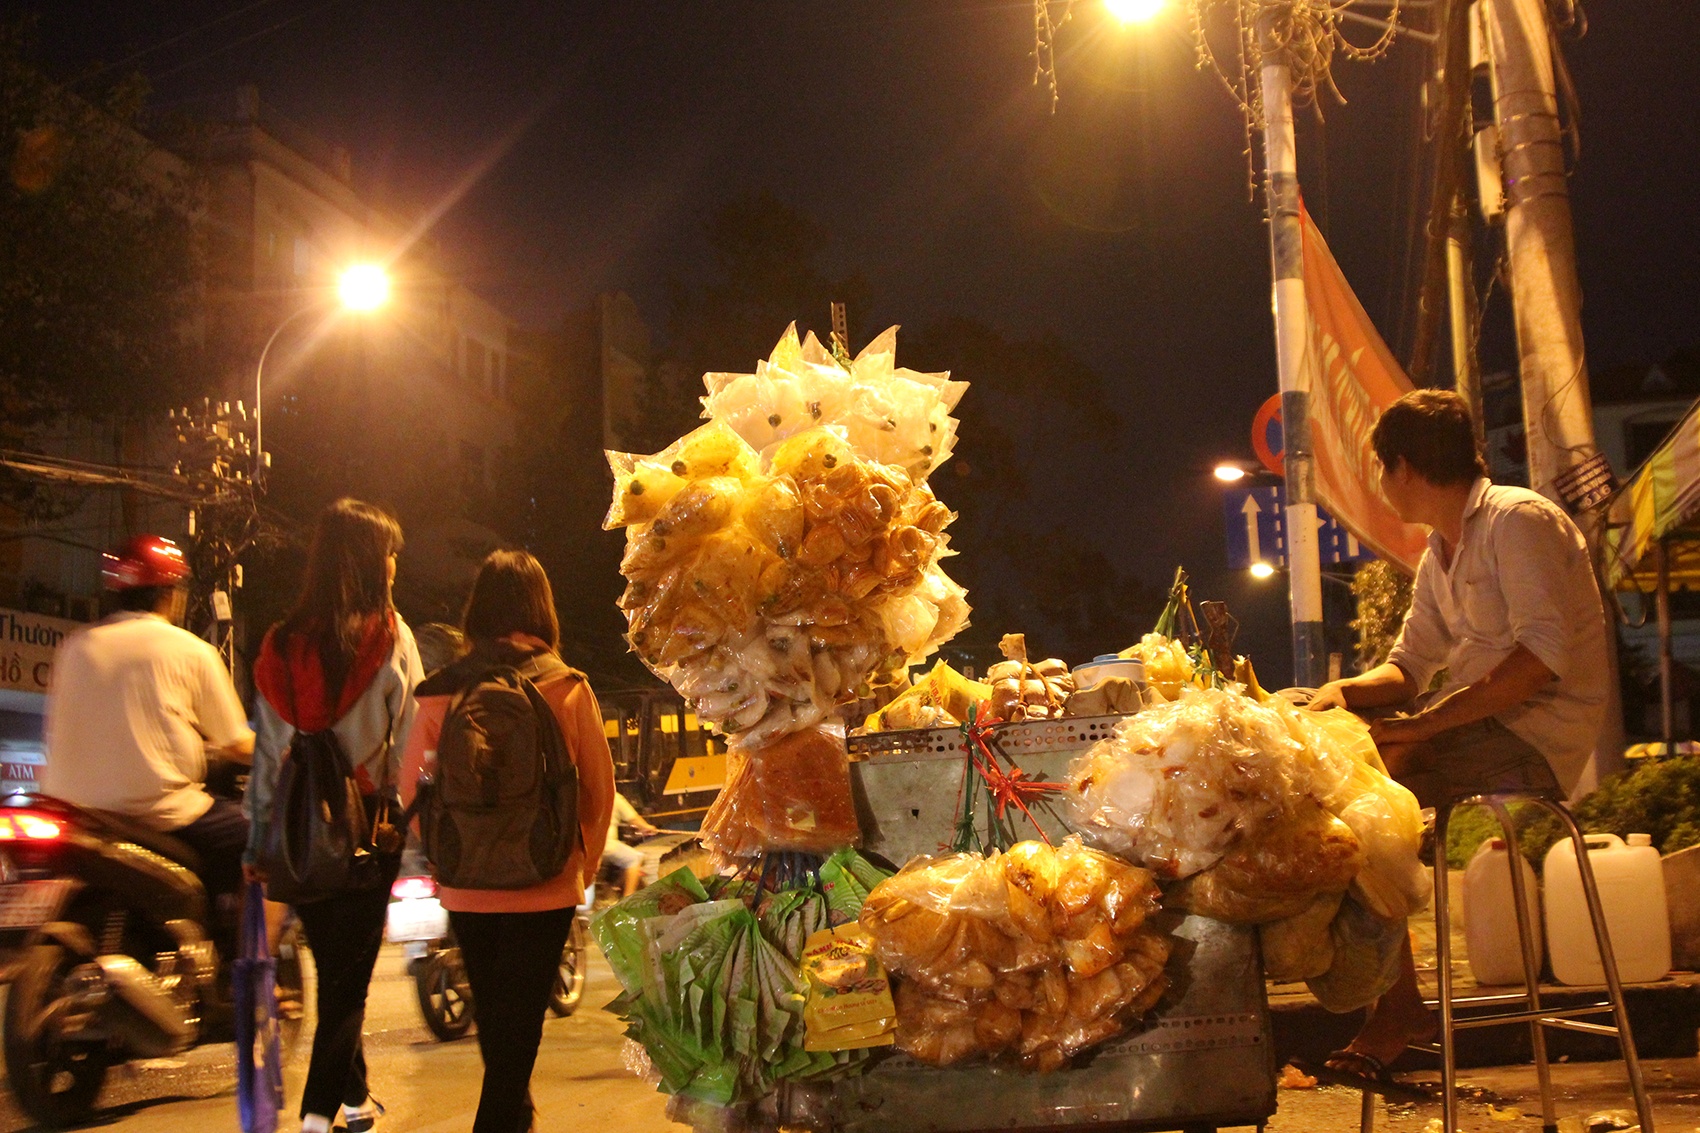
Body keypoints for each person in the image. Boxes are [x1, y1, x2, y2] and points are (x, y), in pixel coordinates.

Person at [1308, 389, 1609, 1085]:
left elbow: (1538, 662)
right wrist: (1341, 694)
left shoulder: (1517, 521)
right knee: (1323, 759)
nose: (1382, 483)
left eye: (1382, 468)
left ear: (1405, 468)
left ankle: (1398, 1010)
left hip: (1537, 734)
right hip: (1476, 724)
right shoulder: (1440, 553)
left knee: (1352, 798)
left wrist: (1421, 726)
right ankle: (1398, 1004)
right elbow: (1409, 666)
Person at [401, 550, 615, 1133]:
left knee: (498, 1022)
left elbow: (412, 788)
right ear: (542, 609)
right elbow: (598, 791)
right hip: (546, 879)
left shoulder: (441, 692)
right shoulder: (567, 687)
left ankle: (515, 1118)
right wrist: (582, 865)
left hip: (466, 884)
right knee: (518, 1026)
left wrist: (451, 850)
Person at [245, 500, 422, 1133]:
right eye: (390, 554)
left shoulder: (278, 642)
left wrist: (256, 843)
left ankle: (356, 1102)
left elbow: (267, 757)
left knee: (334, 969)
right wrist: (408, 820)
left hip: (296, 833)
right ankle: (317, 1118)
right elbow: (411, 745)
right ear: (371, 562)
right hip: (368, 829)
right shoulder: (390, 635)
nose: (395, 565)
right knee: (349, 989)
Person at [43, 535, 256, 905]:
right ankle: (248, 940)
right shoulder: (191, 651)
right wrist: (284, 753)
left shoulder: (74, 646)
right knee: (264, 833)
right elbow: (236, 743)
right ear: (171, 594)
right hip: (160, 816)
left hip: (75, 816)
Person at [605, 791, 661, 896]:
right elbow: (634, 819)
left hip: (584, 846)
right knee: (635, 858)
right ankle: (628, 897)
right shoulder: (614, 797)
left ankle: (612, 887)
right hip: (606, 844)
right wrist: (648, 828)